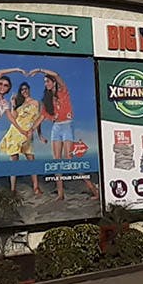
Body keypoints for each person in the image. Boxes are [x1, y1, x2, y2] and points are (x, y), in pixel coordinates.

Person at [36, 68, 99, 200]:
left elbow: (57, 75)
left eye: (47, 81)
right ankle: (60, 194)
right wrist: (36, 133)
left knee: (69, 159)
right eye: (44, 82)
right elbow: (41, 118)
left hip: (67, 126)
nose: (45, 83)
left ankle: (93, 189)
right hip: (56, 128)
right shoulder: (46, 100)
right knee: (56, 162)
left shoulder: (63, 91)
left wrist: (40, 70)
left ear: (53, 82)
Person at [0, 82, 44, 195]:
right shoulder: (19, 104)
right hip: (15, 132)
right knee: (14, 160)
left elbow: (38, 120)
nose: (24, 91)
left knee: (31, 159)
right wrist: (13, 104)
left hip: (28, 132)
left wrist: (39, 135)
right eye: (22, 89)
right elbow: (13, 117)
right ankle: (13, 189)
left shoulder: (37, 103)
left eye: (26, 88)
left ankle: (36, 187)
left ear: (29, 89)